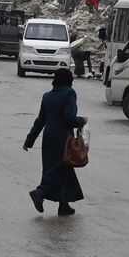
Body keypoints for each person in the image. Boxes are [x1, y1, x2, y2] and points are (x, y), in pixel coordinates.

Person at [24, 68, 88, 217]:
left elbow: (40, 121)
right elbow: (70, 118)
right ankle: (40, 193)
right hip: (63, 139)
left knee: (63, 169)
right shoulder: (69, 93)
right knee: (58, 170)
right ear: (69, 80)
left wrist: (29, 139)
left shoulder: (47, 96)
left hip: (48, 138)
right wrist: (81, 120)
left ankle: (63, 204)